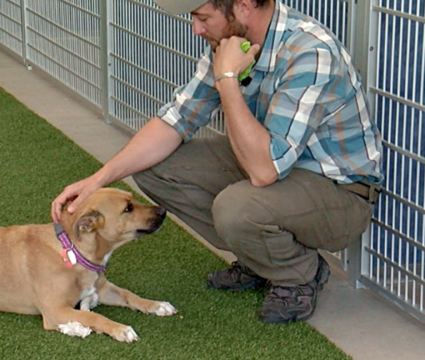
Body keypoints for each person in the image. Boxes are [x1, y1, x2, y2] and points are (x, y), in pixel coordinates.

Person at [51, 0, 383, 324]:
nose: (195, 29)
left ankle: (299, 274)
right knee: (153, 167)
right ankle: (260, 258)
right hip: (277, 167)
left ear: (243, 6)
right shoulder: (231, 44)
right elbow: (176, 120)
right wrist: (98, 180)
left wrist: (226, 79)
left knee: (237, 208)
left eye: (202, 17)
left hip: (340, 194)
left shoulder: (310, 52)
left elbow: (265, 170)